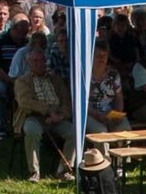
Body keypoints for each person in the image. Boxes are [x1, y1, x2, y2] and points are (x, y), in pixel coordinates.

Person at [14, 47, 76, 182]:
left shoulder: (56, 79)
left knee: (74, 132)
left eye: (42, 60)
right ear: (29, 63)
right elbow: (26, 102)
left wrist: (60, 116)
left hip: (57, 118)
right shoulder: (22, 81)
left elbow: (66, 101)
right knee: (31, 131)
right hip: (34, 117)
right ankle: (34, 172)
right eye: (35, 61)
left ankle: (64, 170)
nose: (39, 63)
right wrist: (49, 111)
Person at [85, 41, 126, 136]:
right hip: (90, 113)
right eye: (98, 55)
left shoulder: (114, 74)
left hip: (110, 112)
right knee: (101, 132)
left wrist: (116, 114)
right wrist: (97, 116)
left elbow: (119, 98)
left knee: (124, 129)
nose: (101, 58)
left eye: (104, 55)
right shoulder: (84, 75)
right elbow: (82, 102)